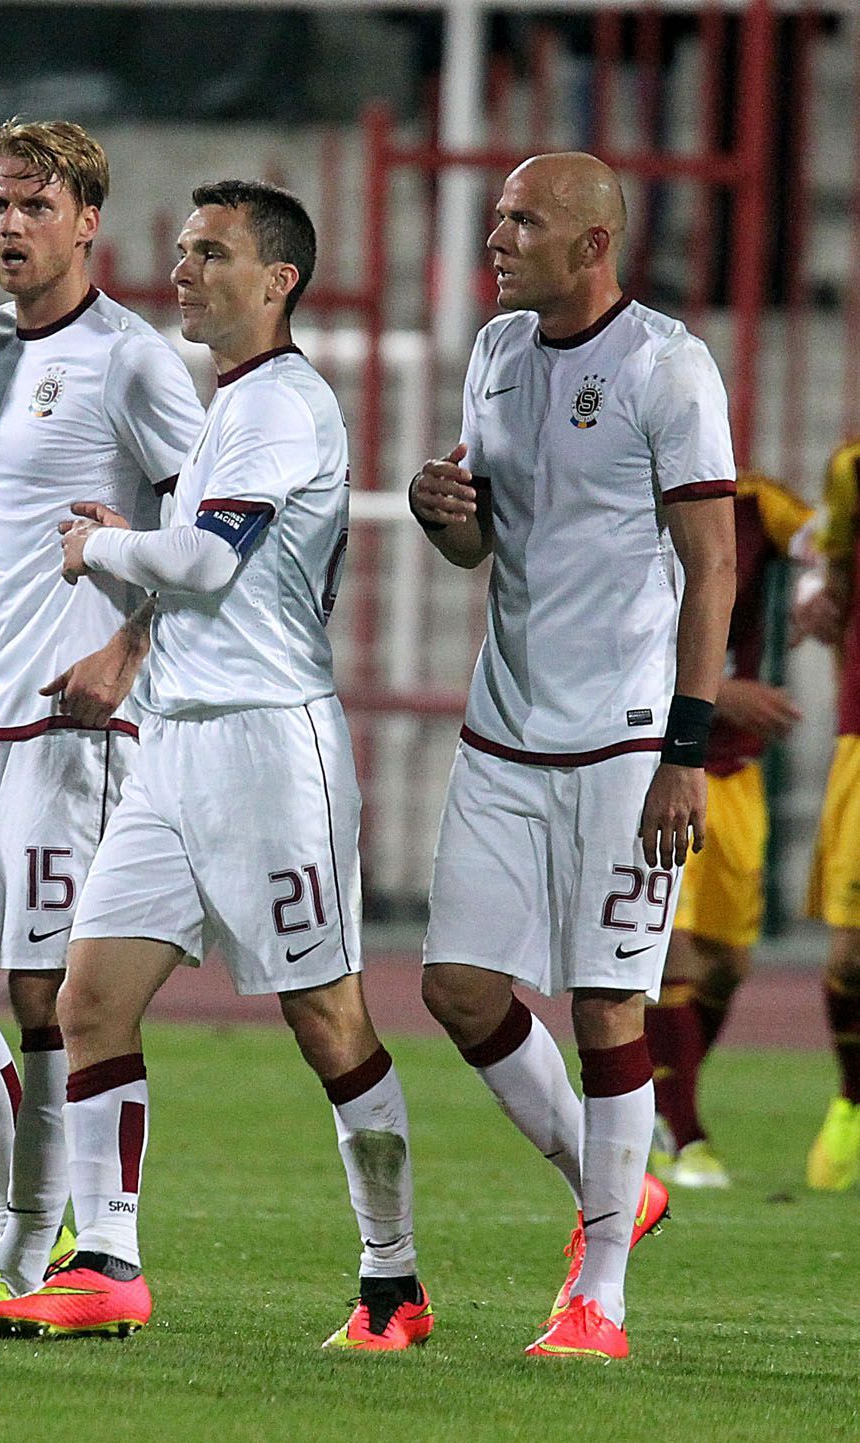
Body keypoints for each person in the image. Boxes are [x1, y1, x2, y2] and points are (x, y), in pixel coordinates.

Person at [0, 180, 433, 1353]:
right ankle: (108, 1265)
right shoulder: (225, 403)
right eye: (181, 250)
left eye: (210, 252)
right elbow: (194, 565)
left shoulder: (284, 404)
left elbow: (211, 563)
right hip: (176, 746)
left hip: (270, 751)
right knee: (89, 1000)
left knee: (326, 1018)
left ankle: (393, 1282)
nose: (181, 269)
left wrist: (100, 546)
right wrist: (131, 563)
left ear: (278, 278)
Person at [0, 119, 205, 1333]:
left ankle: (49, 1260)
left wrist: (129, 650)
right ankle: (36, 1239)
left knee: (42, 991)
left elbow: (211, 524)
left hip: (73, 724)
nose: (10, 225)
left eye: (33, 204)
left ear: (86, 221)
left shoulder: (132, 360)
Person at [412, 152, 735, 1361]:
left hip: (625, 739)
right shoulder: (495, 353)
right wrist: (442, 511)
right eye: (497, 214)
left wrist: (685, 751)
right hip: (504, 729)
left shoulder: (665, 365)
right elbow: (483, 546)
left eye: (520, 219)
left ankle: (596, 1293)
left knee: (606, 1005)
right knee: (457, 988)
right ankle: (615, 1186)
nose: (496, 235)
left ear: (591, 244)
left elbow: (712, 564)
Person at [646, 474, 813, 1189]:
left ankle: (647, 1098)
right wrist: (720, 694)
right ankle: (684, 1136)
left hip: (734, 774)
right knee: (667, 954)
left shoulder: (758, 502)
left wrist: (818, 595)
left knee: (725, 964)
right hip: (651, 758)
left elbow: (825, 547)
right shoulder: (627, 490)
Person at [800, 435, 860, 1191]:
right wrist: (824, 603)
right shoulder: (850, 468)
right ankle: (851, 1100)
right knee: (851, 954)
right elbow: (834, 579)